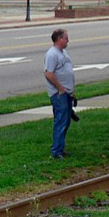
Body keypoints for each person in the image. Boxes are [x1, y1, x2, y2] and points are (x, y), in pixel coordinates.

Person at [44, 28, 76, 159]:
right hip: (59, 95)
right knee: (60, 122)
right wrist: (61, 89)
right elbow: (48, 74)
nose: (68, 40)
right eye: (66, 38)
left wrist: (72, 91)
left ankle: (61, 148)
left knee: (66, 122)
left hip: (67, 93)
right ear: (59, 39)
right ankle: (56, 151)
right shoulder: (52, 54)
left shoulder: (64, 53)